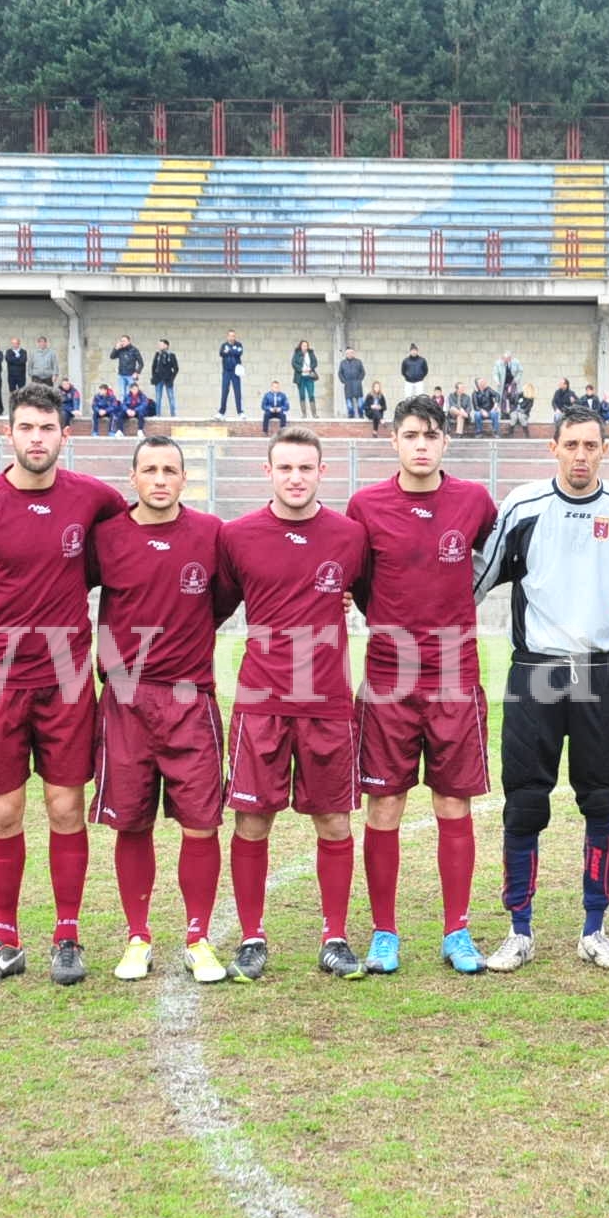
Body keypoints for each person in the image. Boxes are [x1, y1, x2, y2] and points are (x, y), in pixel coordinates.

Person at [0, 382, 126, 989]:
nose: (37, 439)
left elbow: (140, 546)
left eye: (48, 428)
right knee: (4, 811)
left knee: (66, 807)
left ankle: (66, 935)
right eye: (26, 428)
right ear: (9, 433)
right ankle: (5, 939)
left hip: (67, 679)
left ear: (65, 436)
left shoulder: (96, 499)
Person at [473, 407, 609, 973]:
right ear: (553, 448)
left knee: (600, 800)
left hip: (598, 673)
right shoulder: (523, 507)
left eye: (590, 445)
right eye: (571, 444)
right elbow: (474, 582)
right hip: (535, 669)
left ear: (605, 450)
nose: (581, 454)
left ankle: (595, 928)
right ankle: (518, 931)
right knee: (525, 802)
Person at [347, 397, 502, 975]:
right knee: (384, 802)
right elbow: (358, 581)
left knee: (451, 800)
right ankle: (385, 932)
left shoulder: (473, 501)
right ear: (394, 440)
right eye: (410, 434)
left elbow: (500, 556)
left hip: (454, 676)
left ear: (445, 442)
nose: (421, 444)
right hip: (389, 677)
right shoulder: (365, 506)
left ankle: (456, 931)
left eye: (431, 435)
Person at [214, 426, 373, 982]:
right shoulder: (236, 536)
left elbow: (379, 596)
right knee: (252, 819)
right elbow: (207, 608)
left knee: (332, 822)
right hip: (261, 703)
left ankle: (335, 936)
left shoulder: (351, 536)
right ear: (268, 472)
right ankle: (253, 937)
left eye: (306, 468)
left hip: (328, 702)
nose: (296, 478)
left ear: (322, 472)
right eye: (285, 468)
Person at [87, 436, 234, 985]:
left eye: (170, 470)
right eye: (149, 469)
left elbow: (226, 598)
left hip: (189, 697)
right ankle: (137, 936)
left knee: (202, 823)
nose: (160, 479)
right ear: (133, 478)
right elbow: (54, 586)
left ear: (183, 479)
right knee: (132, 821)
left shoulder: (210, 534)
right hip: (125, 699)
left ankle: (197, 936)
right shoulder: (106, 537)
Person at [148, 339, 179, 417]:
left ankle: (173, 415)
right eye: (159, 344)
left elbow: (176, 368)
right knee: (158, 398)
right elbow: (153, 366)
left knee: (171, 398)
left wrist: (172, 378)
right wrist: (154, 376)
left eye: (161, 344)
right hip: (158, 379)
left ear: (166, 345)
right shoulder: (157, 354)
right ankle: (158, 414)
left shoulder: (171, 355)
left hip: (168, 379)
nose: (159, 346)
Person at [218, 330, 245, 417]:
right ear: (227, 337)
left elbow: (239, 353)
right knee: (224, 391)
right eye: (230, 336)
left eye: (233, 336)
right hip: (226, 371)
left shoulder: (239, 345)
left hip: (235, 372)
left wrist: (229, 351)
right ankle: (221, 412)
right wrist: (232, 351)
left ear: (235, 337)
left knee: (237, 392)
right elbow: (221, 353)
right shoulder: (224, 345)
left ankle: (240, 412)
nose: (232, 337)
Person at [291, 338, 319, 415]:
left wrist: (310, 368)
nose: (305, 347)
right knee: (302, 395)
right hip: (301, 378)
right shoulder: (297, 353)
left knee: (311, 395)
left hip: (309, 377)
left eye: (306, 345)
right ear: (300, 346)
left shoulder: (311, 353)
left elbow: (315, 362)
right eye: (303, 345)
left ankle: (314, 414)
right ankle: (304, 414)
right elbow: (293, 363)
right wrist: (301, 369)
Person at [336, 347, 365, 419]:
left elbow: (363, 372)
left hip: (357, 385)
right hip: (348, 385)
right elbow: (340, 373)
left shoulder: (358, 362)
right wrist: (344, 381)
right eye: (347, 353)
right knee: (349, 404)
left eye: (351, 353)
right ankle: (351, 416)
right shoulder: (342, 363)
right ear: (346, 354)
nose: (349, 354)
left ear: (353, 353)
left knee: (360, 404)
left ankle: (361, 416)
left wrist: (359, 380)